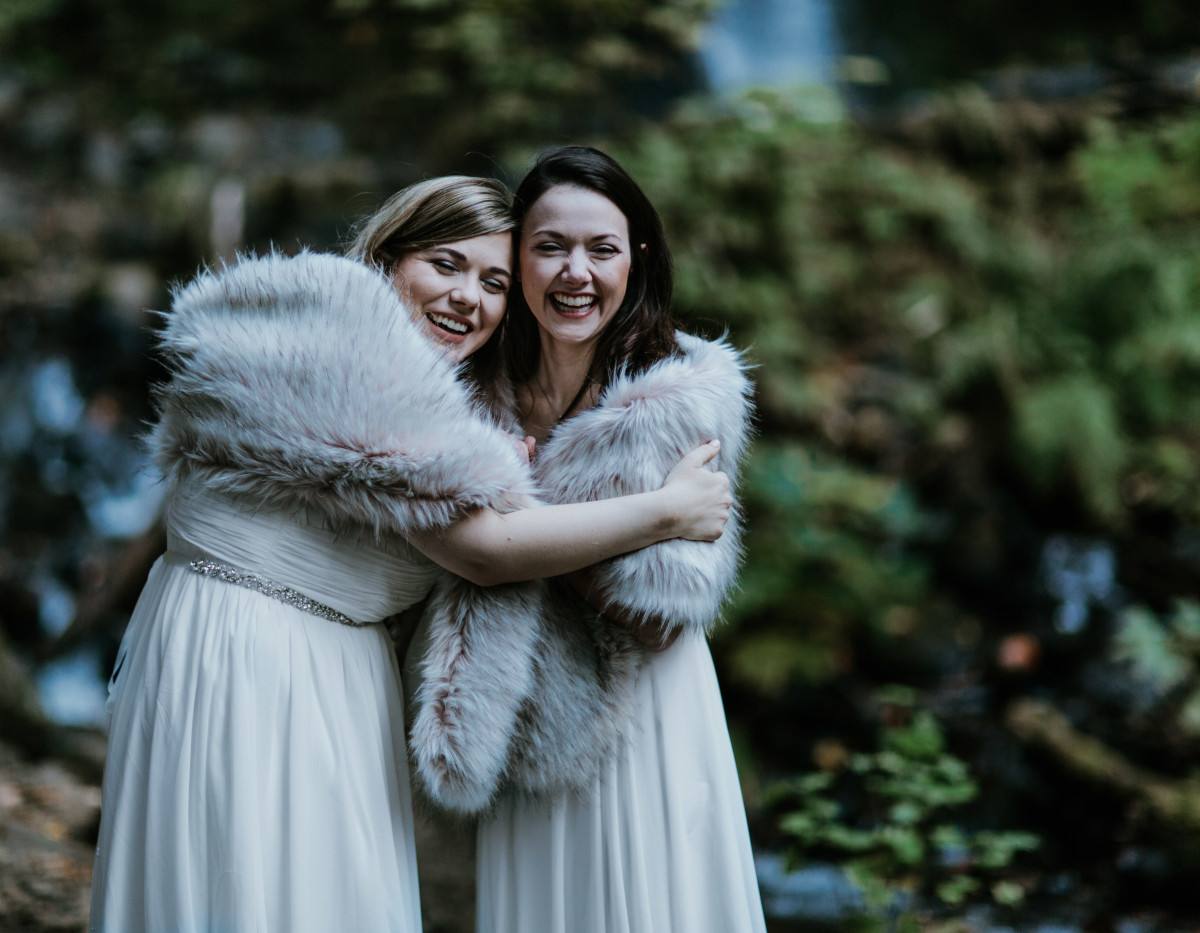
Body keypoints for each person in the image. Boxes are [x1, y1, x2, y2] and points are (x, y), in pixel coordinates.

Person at [88, 174, 734, 933]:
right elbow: (486, 555)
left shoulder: (421, 389)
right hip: (260, 661)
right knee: (258, 888)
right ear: (388, 258)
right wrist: (667, 510)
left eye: (494, 281)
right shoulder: (347, 353)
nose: (469, 297)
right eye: (445, 264)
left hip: (301, 661)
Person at [473, 147, 767, 933]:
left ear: (635, 260)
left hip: (645, 716)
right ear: (517, 258)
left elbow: (661, 615)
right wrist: (642, 516)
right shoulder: (476, 394)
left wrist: (516, 531)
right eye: (550, 247)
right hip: (527, 718)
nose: (576, 272)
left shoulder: (679, 396)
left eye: (601, 249)